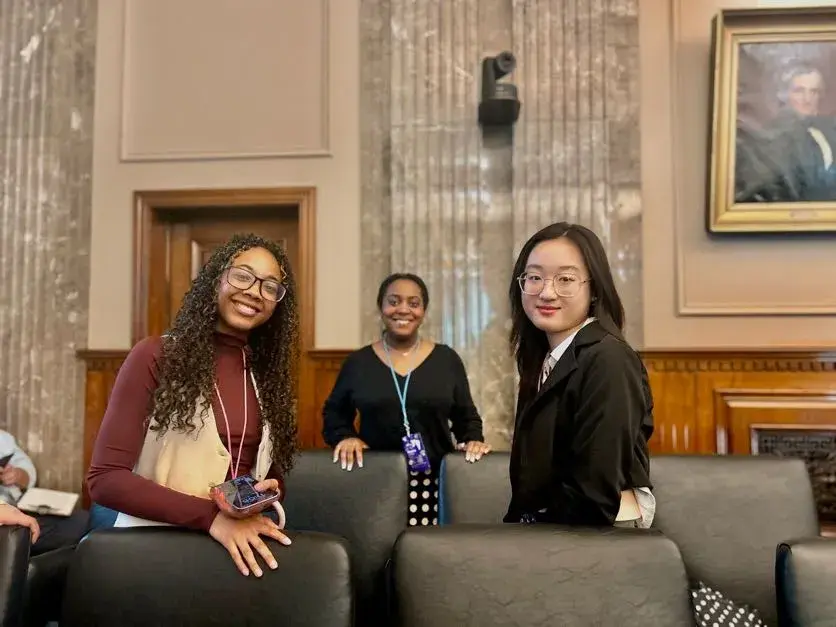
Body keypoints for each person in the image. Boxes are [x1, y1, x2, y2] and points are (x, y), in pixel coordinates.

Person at [87, 233, 298, 577]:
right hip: (152, 554)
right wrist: (212, 517)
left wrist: (270, 490)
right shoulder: (155, 354)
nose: (255, 292)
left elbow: (260, 470)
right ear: (216, 278)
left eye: (270, 286)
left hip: (235, 558)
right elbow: (105, 479)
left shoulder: (265, 374)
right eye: (243, 275)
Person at [504, 222, 655, 528]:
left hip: (602, 532)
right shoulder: (542, 358)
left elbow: (595, 492)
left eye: (566, 279)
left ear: (594, 288)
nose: (546, 292)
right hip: (558, 526)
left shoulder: (608, 359)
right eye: (534, 277)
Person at [322, 272, 490, 526]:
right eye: (394, 301)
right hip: (374, 482)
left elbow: (466, 417)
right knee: (379, 556)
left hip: (435, 483)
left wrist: (473, 442)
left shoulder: (447, 360)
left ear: (423, 310)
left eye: (413, 303)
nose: (403, 309)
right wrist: (345, 437)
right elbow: (334, 414)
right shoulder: (358, 363)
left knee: (429, 559)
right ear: (381, 307)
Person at [0, 430, 88, 555]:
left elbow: (28, 472)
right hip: (6, 517)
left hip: (18, 507)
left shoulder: (3, 439)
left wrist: (17, 475)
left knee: (83, 521)